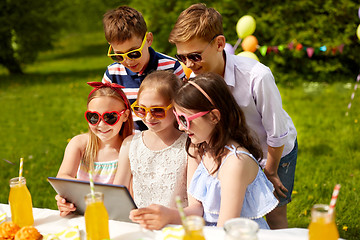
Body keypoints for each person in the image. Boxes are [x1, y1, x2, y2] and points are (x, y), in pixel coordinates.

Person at [168, 3, 298, 229]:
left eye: (195, 56)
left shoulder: (256, 77)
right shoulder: (195, 79)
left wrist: (270, 171)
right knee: (237, 210)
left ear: (219, 43)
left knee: (274, 214)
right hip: (231, 153)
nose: (188, 64)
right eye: (182, 57)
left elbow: (277, 133)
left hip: (273, 151)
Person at [130, 73, 278, 230]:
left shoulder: (235, 163)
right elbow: (197, 209)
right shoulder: (202, 149)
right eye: (178, 118)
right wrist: (167, 215)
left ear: (214, 117)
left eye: (185, 120)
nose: (180, 127)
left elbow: (225, 230)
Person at [55, 82, 134, 216]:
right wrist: (64, 200)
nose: (101, 124)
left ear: (125, 115)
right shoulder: (79, 144)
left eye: (110, 117)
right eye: (94, 117)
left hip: (118, 217)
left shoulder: (130, 147)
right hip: (85, 214)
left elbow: (125, 198)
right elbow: (63, 177)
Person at [102, 6, 185, 131]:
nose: (128, 61)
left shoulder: (171, 67)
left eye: (134, 53)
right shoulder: (112, 74)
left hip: (168, 136)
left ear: (148, 39)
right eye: (119, 55)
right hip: (130, 139)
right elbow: (106, 112)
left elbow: (185, 107)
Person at [113, 70, 188, 209]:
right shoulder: (130, 144)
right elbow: (117, 194)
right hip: (141, 223)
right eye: (141, 109)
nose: (148, 118)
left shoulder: (189, 146)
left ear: (176, 106)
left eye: (157, 110)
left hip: (177, 225)